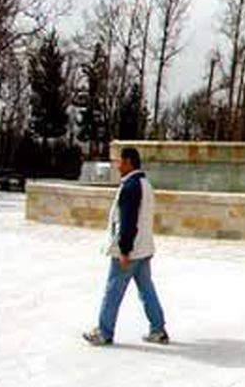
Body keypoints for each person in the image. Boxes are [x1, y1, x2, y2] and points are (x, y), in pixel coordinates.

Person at [83, 147, 169, 346]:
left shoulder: (130, 187)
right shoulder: (145, 184)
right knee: (147, 290)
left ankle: (104, 332)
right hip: (144, 247)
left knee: (113, 290)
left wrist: (124, 250)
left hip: (131, 250)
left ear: (129, 162)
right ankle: (158, 328)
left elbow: (127, 221)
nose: (117, 165)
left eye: (119, 161)